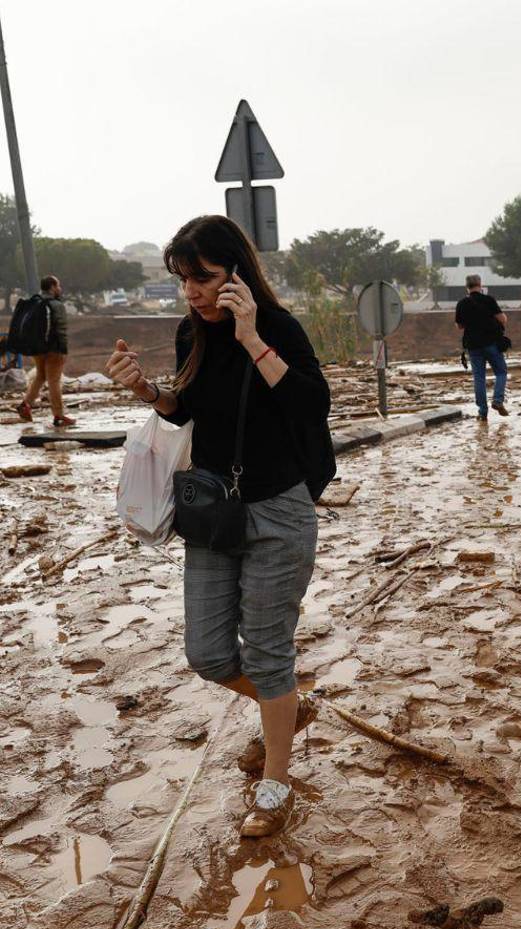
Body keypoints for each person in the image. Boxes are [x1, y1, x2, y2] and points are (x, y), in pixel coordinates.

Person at [104, 215, 334, 838]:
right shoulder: (189, 333)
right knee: (207, 654)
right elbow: (189, 410)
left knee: (266, 653)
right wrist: (149, 392)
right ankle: (289, 707)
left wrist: (252, 335)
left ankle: (275, 785)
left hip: (279, 511)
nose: (193, 293)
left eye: (203, 279)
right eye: (184, 280)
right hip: (213, 511)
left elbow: (313, 405)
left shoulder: (277, 326)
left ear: (236, 273)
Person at [15, 275, 74, 426]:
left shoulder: (35, 303)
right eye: (58, 285)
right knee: (54, 381)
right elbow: (60, 329)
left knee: (41, 376)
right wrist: (62, 350)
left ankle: (25, 405)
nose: (59, 288)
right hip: (54, 349)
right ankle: (58, 415)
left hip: (36, 349)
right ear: (53, 287)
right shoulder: (56, 305)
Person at [455, 274, 509, 421]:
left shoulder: (462, 303)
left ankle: (482, 412)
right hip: (491, 343)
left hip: (473, 346)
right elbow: (503, 319)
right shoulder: (488, 300)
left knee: (479, 378)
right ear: (480, 284)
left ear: (467, 286)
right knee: (501, 372)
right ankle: (497, 400)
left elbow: (460, 326)